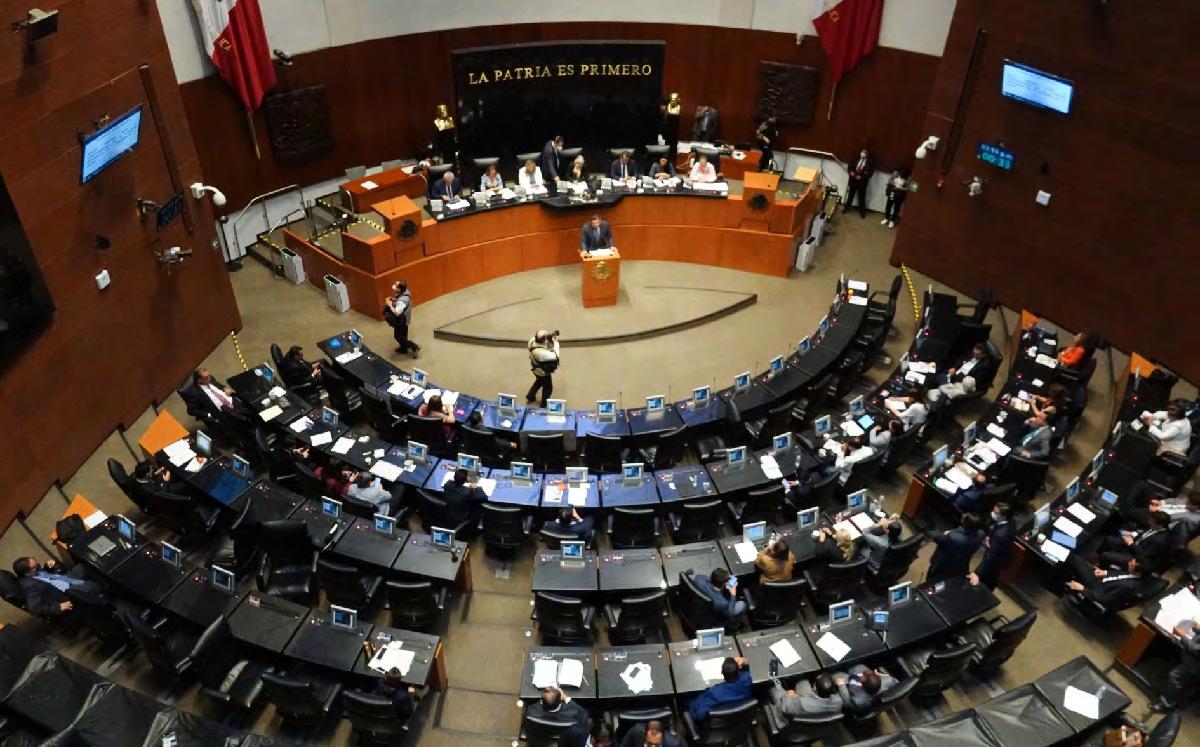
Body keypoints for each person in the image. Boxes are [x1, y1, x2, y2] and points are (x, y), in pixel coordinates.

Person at [12, 557, 107, 618]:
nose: (38, 566)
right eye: (35, 567)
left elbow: (46, 574)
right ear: (28, 572)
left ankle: (105, 581)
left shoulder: (33, 571)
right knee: (92, 585)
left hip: (66, 578)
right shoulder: (29, 586)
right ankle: (107, 594)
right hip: (68, 592)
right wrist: (57, 608)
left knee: (84, 565)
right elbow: (35, 609)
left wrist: (49, 566)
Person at [1065, 554, 1155, 610]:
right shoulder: (1136, 574)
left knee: (1074, 559)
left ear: (1138, 571)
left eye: (1132, 563)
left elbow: (1105, 599)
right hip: (1102, 580)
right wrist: (1105, 572)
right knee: (1079, 560)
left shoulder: (1128, 586)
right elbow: (1121, 575)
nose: (1129, 562)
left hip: (1096, 589)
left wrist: (1083, 589)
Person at [1096, 511, 1173, 572]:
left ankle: (1102, 570)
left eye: (1151, 522)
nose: (1149, 522)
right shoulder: (1155, 527)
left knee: (1105, 555)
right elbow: (1144, 533)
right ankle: (1097, 558)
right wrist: (1133, 534)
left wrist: (1131, 544)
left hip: (1135, 557)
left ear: (1160, 525)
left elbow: (1144, 555)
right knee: (1109, 539)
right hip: (1133, 546)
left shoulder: (1160, 540)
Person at [1150, 620, 1200, 712]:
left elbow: (1197, 650)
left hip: (1194, 664)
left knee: (1174, 677)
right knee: (1188, 684)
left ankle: (1168, 704)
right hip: (1189, 656)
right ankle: (1179, 701)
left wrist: (1182, 636)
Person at [969, 502, 1016, 589]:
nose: (992, 514)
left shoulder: (1001, 535)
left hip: (995, 559)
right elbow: (997, 527)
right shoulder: (1010, 520)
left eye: (996, 513)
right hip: (1001, 550)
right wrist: (990, 537)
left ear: (1003, 516)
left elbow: (990, 556)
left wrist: (977, 573)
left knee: (987, 579)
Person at [927, 513, 985, 582]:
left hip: (943, 565)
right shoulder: (981, 535)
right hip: (961, 566)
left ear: (965, 523)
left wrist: (946, 534)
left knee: (931, 582)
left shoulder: (952, 538)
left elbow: (937, 538)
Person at [769, 672, 842, 718]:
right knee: (801, 679)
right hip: (814, 704)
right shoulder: (838, 701)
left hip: (794, 707)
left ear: (814, 688)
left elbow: (785, 708)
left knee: (774, 686)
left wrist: (787, 696)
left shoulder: (801, 703)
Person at [384, 281, 420, 358]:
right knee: (403, 334)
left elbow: (397, 313)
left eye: (396, 286)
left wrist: (390, 305)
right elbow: (400, 301)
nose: (394, 286)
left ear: (399, 289)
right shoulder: (406, 291)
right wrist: (394, 300)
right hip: (405, 317)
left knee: (398, 336)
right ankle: (403, 349)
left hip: (402, 320)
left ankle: (414, 347)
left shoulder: (402, 301)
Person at [526, 329, 560, 407]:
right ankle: (544, 404)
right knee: (548, 387)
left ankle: (530, 396)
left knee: (539, 381)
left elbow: (544, 342)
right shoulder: (541, 354)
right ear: (545, 341)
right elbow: (556, 356)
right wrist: (556, 342)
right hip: (543, 372)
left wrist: (550, 338)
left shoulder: (532, 341)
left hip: (535, 369)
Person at [844, 148, 874, 218]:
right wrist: (850, 172)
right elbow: (850, 166)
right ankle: (846, 208)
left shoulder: (870, 162)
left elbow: (870, 173)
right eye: (862, 152)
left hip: (862, 183)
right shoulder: (855, 159)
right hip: (853, 180)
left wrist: (861, 177)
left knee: (861, 197)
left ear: (867, 154)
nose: (862, 154)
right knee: (850, 195)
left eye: (864, 153)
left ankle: (862, 212)